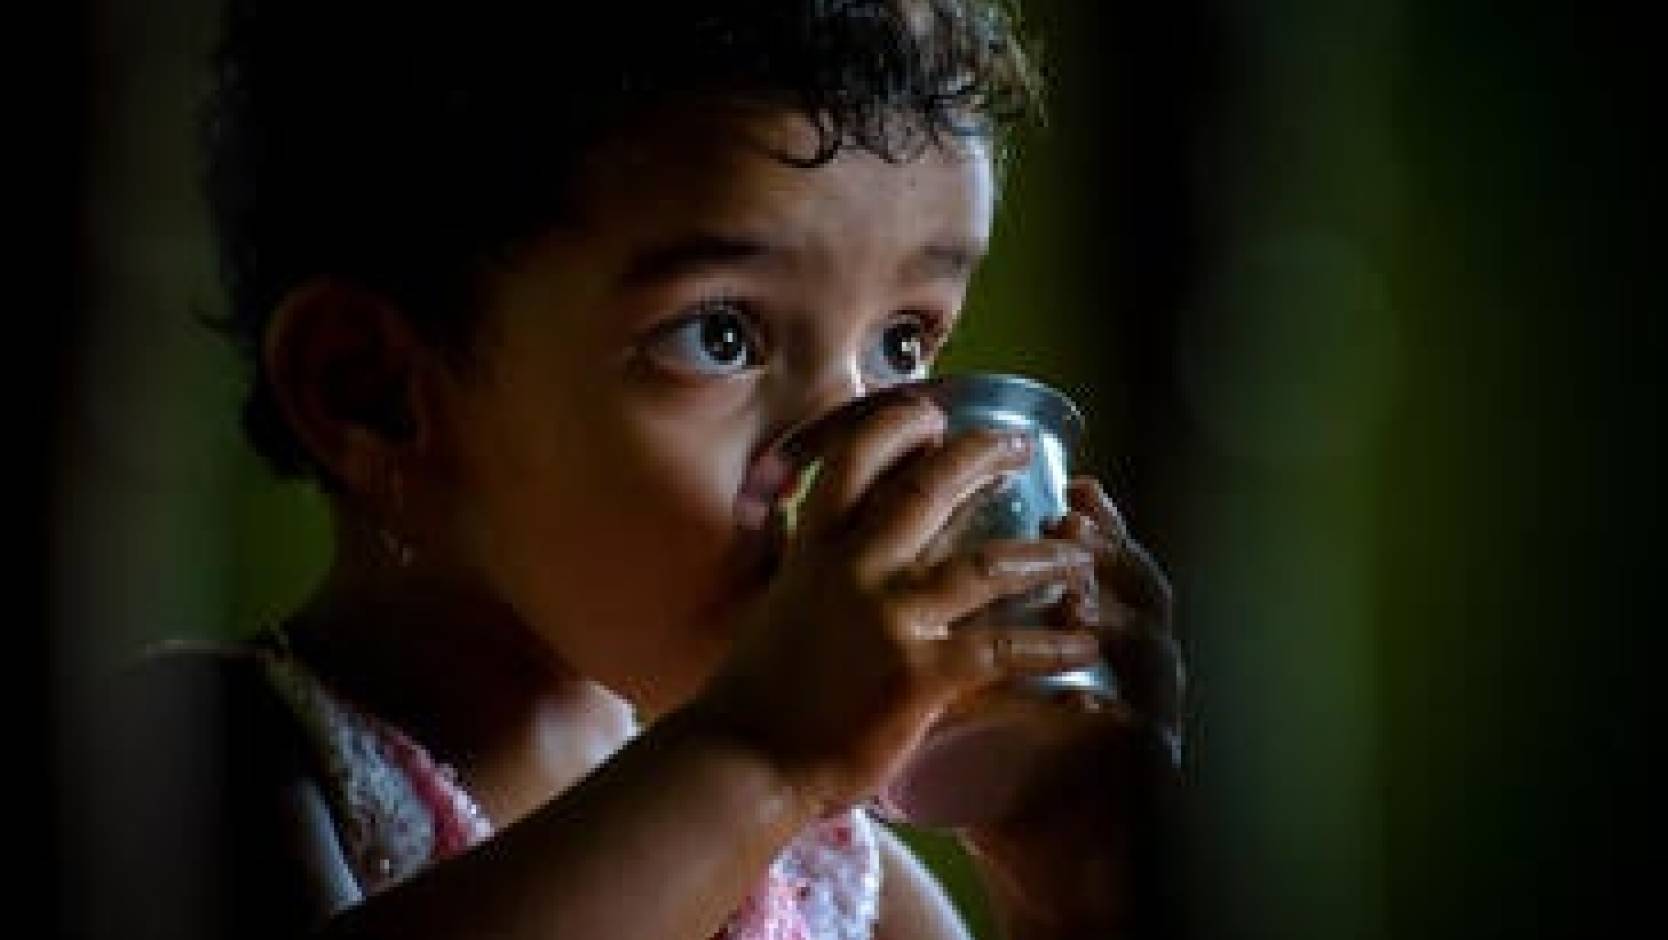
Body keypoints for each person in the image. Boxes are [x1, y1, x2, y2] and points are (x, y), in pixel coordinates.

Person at [80, 1, 1185, 937]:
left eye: (905, 341)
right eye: (721, 336)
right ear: (372, 391)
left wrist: (1071, 874)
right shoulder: (214, 766)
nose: (860, 445)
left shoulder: (835, 864)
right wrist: (762, 754)